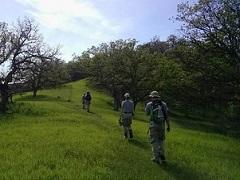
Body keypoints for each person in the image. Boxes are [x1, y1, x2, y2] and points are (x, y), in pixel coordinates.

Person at [145, 91, 170, 164]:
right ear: (158, 97)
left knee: (154, 141)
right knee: (161, 140)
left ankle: (156, 158)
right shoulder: (163, 104)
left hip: (153, 125)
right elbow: (166, 116)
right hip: (162, 125)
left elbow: (147, 113)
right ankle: (162, 154)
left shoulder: (149, 104)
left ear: (152, 97)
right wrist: (168, 126)